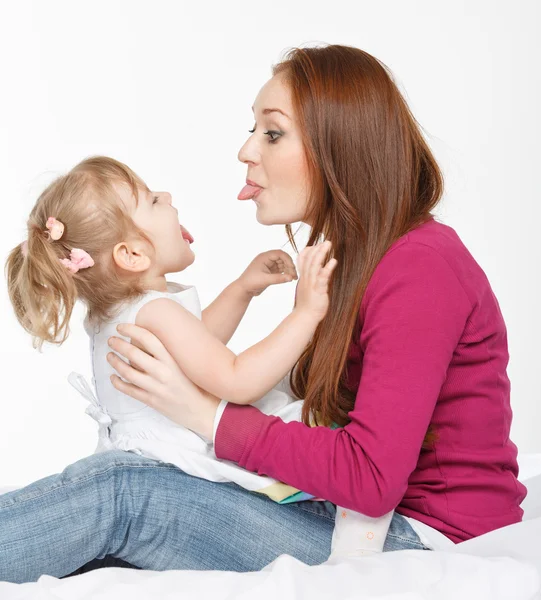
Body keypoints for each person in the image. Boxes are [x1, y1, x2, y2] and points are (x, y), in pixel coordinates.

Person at [0, 43, 526, 583]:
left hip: (420, 538)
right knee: (77, 496)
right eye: (252, 129)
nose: (246, 151)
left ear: (338, 149)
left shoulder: (421, 267)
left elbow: (371, 476)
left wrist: (209, 416)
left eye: (271, 133)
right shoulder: (348, 261)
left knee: (123, 490)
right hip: (354, 517)